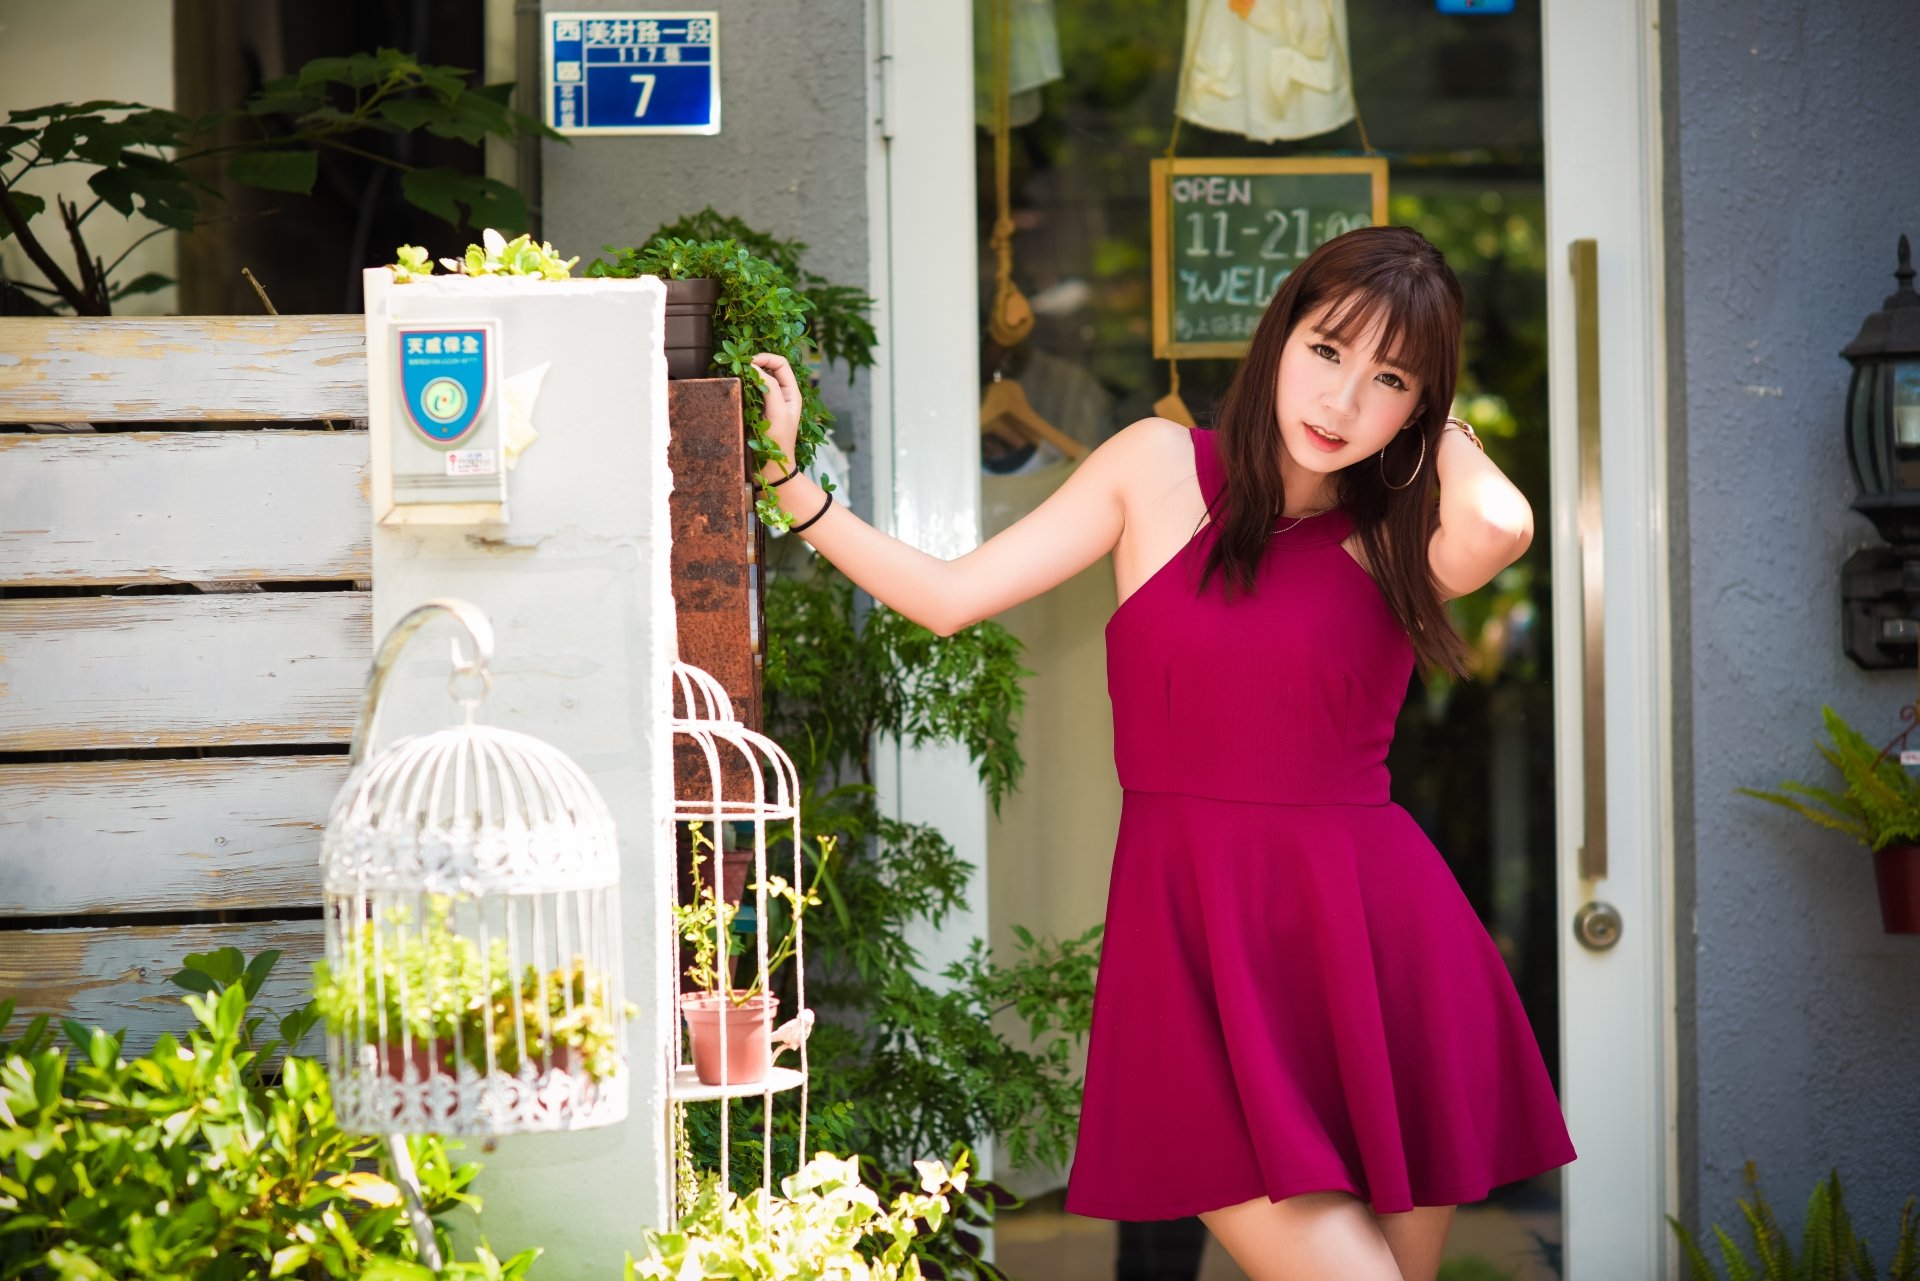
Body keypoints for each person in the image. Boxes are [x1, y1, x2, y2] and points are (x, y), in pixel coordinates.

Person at [748, 224, 1576, 1281]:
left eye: (1389, 379)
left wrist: (1438, 417)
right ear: (1279, 336)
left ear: (1419, 407)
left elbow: (1501, 525)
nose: (1340, 402)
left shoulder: (1389, 538)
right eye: (1326, 350)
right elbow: (950, 598)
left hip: (1382, 957)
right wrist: (793, 489)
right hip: (1194, 947)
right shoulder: (1155, 467)